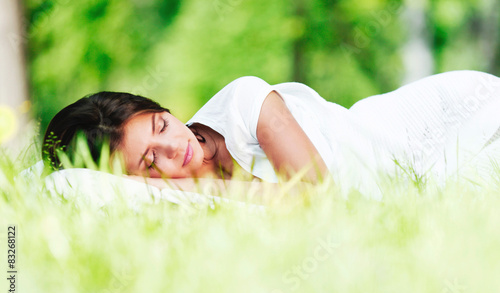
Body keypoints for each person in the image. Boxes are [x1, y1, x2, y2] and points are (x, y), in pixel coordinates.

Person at [43, 70, 500, 199]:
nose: (174, 148)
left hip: (438, 121)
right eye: (149, 161)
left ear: (162, 110)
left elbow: (317, 199)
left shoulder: (245, 102)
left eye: (161, 125)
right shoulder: (178, 200)